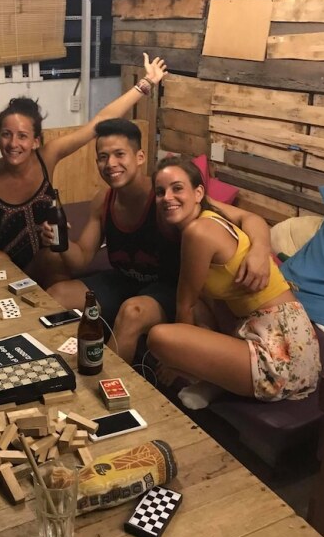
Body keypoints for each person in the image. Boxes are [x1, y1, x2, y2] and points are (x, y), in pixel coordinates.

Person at [45, 121, 273, 365]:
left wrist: (260, 251)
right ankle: (47, 366)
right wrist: (61, 240)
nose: (110, 163)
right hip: (124, 279)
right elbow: (80, 259)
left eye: (119, 154)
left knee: (132, 312)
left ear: (140, 157)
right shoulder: (103, 200)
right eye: (103, 157)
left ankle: (105, 382)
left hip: (169, 288)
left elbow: (249, 218)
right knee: (57, 294)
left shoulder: (167, 196)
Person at [0, 53, 167, 288]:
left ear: (35, 141)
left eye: (22, 136)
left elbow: (99, 122)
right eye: (6, 134)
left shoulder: (47, 156)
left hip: (37, 260)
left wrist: (146, 83)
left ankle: (55, 304)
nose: (13, 144)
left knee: (56, 257)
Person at [147, 156, 321, 410]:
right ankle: (219, 378)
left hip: (282, 353)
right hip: (284, 332)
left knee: (158, 338)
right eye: (160, 192)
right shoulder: (209, 212)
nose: (167, 197)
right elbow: (251, 217)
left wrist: (178, 358)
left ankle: (214, 380)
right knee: (205, 299)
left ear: (198, 193)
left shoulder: (199, 231)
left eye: (177, 188)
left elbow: (184, 305)